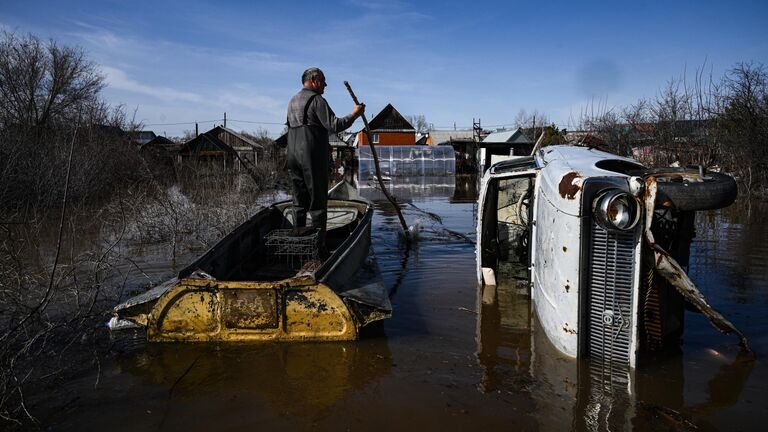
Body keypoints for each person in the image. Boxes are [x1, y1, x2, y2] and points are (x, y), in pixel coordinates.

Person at [286, 67, 364, 256]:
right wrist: (355, 113)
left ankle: (299, 243)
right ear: (314, 80)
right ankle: (319, 250)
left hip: (292, 153)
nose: (325, 85)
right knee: (318, 201)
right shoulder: (317, 100)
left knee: (299, 199)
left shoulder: (292, 101)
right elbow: (335, 125)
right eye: (323, 81)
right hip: (310, 154)